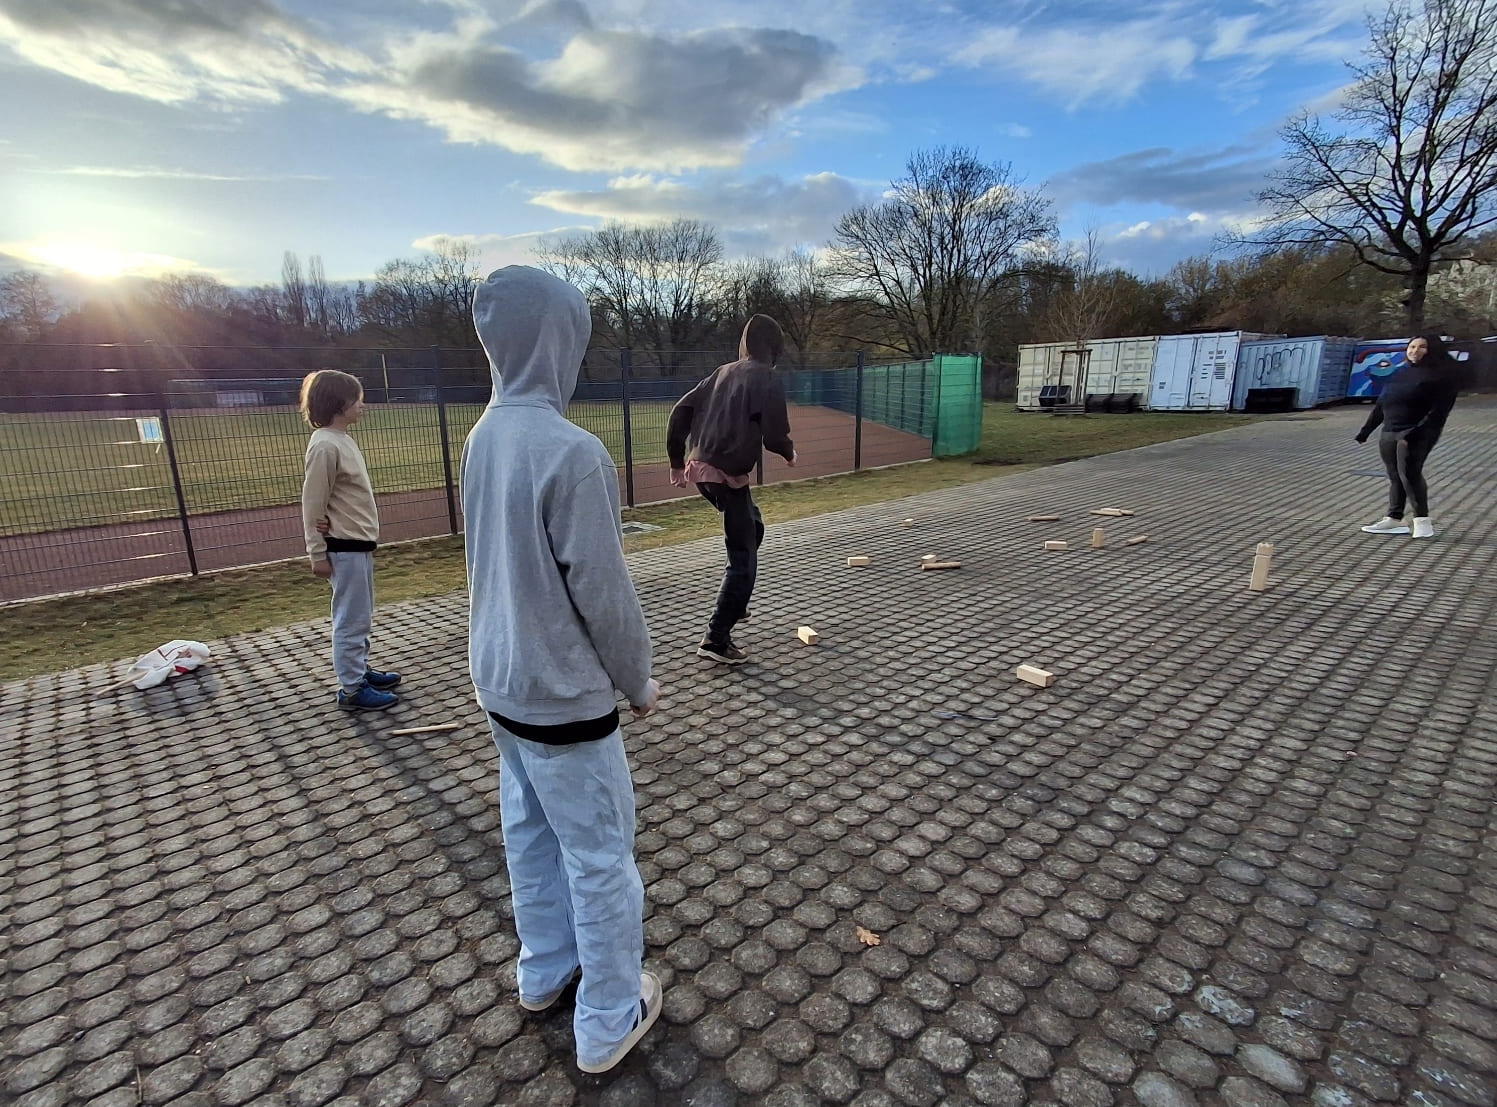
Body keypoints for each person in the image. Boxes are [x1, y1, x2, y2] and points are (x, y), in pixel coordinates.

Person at [461, 266, 662, 1074]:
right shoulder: (571, 451)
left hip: (498, 682)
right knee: (601, 854)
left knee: (528, 832)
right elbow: (602, 591)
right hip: (562, 697)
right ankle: (610, 1014)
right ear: (557, 342)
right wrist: (638, 679)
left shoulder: (483, 435)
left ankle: (543, 970)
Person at [666, 314, 796, 664]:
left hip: (704, 471)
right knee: (743, 561)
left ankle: (735, 603)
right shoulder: (766, 377)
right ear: (775, 349)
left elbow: (681, 411)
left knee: (753, 526)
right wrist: (788, 451)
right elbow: (773, 433)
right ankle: (715, 639)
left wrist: (677, 462)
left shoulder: (722, 372)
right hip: (726, 475)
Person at [299, 369, 401, 711]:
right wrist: (317, 553)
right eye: (357, 398)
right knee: (350, 618)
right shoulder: (326, 446)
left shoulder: (341, 440)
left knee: (362, 615)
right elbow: (313, 504)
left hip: (358, 544)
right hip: (344, 547)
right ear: (339, 403)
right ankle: (352, 689)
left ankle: (359, 669)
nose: (363, 404)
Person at [1355, 333, 1461, 540]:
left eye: (1422, 347)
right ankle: (1394, 520)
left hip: (1418, 432)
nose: (1415, 351)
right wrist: (1366, 430)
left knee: (1410, 474)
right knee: (1395, 476)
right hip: (1390, 430)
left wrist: (1414, 433)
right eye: (1412, 347)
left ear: (1432, 350)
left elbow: (1439, 412)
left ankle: (1423, 522)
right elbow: (1382, 403)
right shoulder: (1400, 373)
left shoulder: (1442, 376)